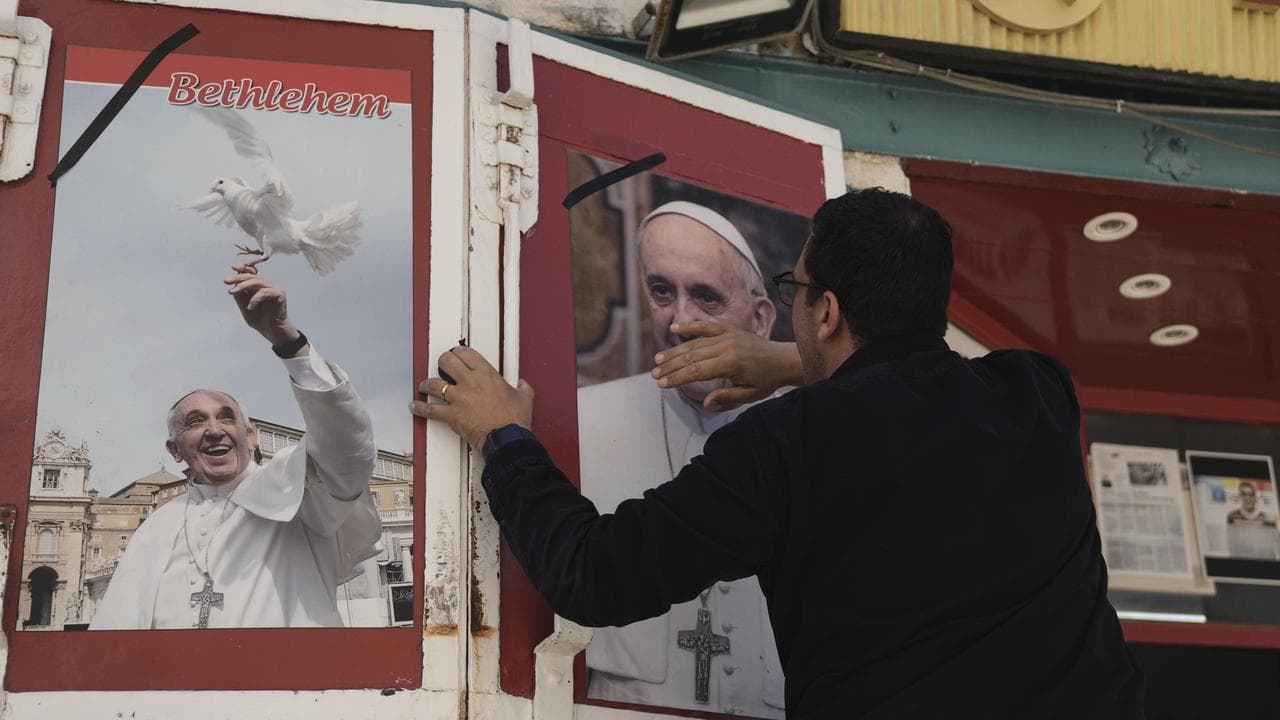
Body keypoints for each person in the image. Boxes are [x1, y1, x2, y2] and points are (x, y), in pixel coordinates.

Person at [412, 188, 1145, 718]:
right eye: (661, 290)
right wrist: (797, 361)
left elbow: (592, 574)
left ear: (821, 311)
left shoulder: (791, 443)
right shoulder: (1037, 393)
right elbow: (913, 375)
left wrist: (506, 436)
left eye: (797, 290)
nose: (679, 319)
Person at [577, 202, 784, 716]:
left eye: (706, 297)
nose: (680, 322)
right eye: (662, 292)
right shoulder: (585, 420)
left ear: (760, 320)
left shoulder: (808, 432)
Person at [92, 265, 380, 629]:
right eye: (195, 422)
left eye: (226, 417)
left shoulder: (298, 490)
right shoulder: (157, 525)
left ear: (252, 436)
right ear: (174, 449)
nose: (214, 430)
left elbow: (348, 444)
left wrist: (286, 340)